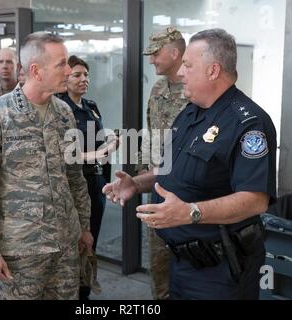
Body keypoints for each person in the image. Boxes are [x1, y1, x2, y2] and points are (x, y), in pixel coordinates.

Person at [103, 28, 277, 299]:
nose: (181, 72)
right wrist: (135, 184)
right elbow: (171, 168)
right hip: (181, 264)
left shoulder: (249, 123)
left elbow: (255, 200)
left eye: (187, 65)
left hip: (221, 271)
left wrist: (191, 212)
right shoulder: (190, 112)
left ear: (213, 70)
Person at [0, 32, 93, 300]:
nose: (69, 71)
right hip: (19, 254)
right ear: (36, 70)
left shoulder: (64, 113)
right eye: (62, 64)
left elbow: (74, 177)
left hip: (65, 249)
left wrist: (84, 227)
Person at [56, 55, 118, 300]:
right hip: (72, 186)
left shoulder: (90, 106)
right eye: (77, 75)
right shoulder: (59, 109)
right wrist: (99, 152)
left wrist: (110, 144)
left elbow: (99, 142)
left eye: (86, 75)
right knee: (74, 244)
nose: (84, 80)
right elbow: (64, 153)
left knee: (91, 241)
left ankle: (84, 293)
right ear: (65, 78)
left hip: (94, 182)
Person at [136, 26, 189, 300]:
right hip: (158, 186)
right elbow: (149, 131)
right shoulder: (157, 89)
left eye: (155, 54)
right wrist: (142, 169)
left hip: (189, 190)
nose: (151, 60)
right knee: (157, 261)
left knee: (189, 260)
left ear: (174, 52)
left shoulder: (197, 90)